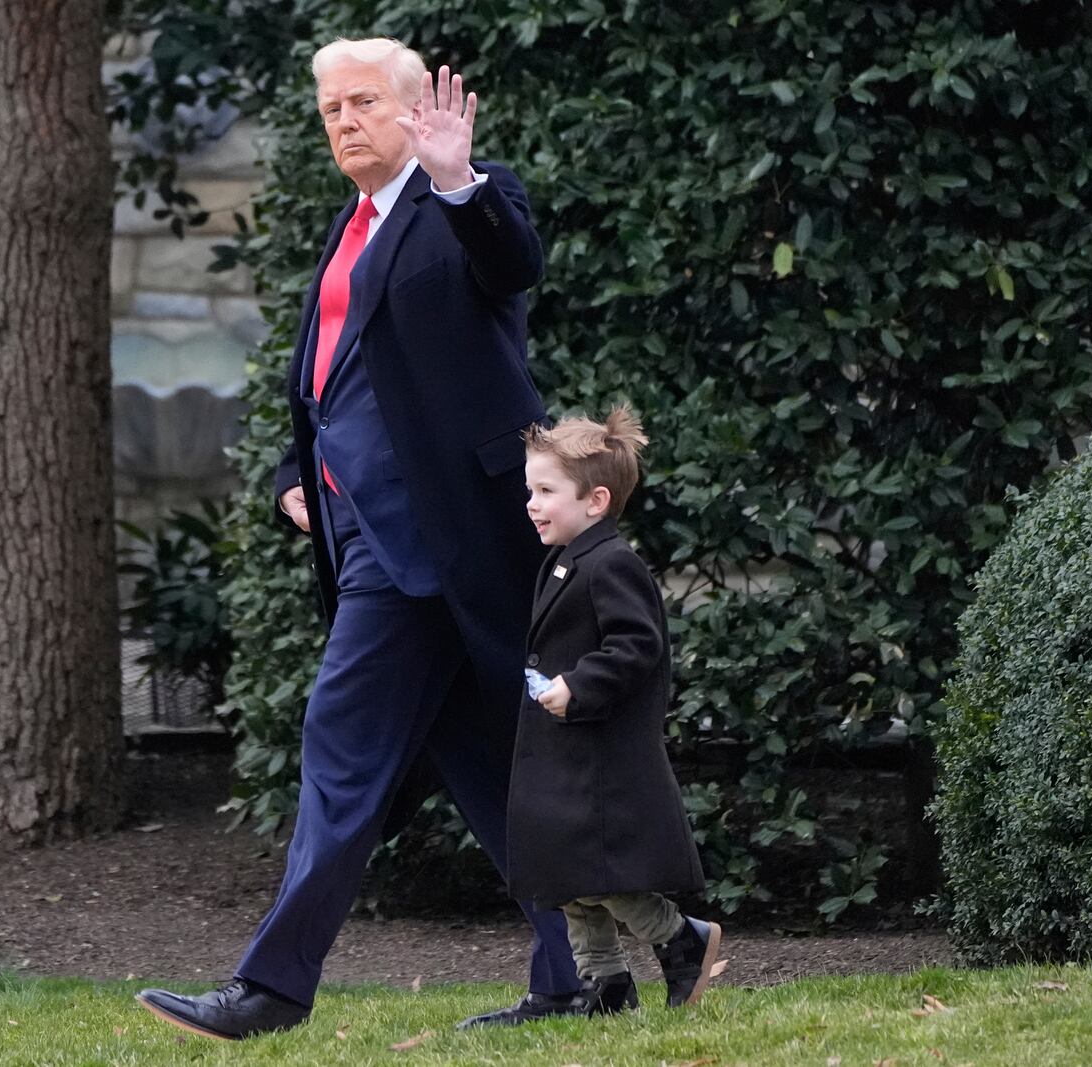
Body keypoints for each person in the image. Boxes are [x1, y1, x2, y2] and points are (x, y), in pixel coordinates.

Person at [134, 36, 582, 1040]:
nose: (344, 121)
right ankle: (605, 964)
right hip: (370, 537)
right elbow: (333, 392)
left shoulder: (460, 200)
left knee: (340, 754)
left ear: (419, 108)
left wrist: (458, 176)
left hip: (433, 543)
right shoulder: (353, 224)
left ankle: (270, 988)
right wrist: (299, 477)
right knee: (486, 770)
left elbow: (514, 262)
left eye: (364, 102)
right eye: (331, 107)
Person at [510, 407, 721, 1013]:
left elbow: (636, 645)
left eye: (546, 491)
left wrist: (579, 685)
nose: (532, 503)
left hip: (599, 757)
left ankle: (682, 938)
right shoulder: (564, 559)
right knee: (567, 879)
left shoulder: (611, 562)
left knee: (602, 877)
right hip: (565, 752)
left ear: (596, 500)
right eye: (531, 489)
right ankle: (604, 982)